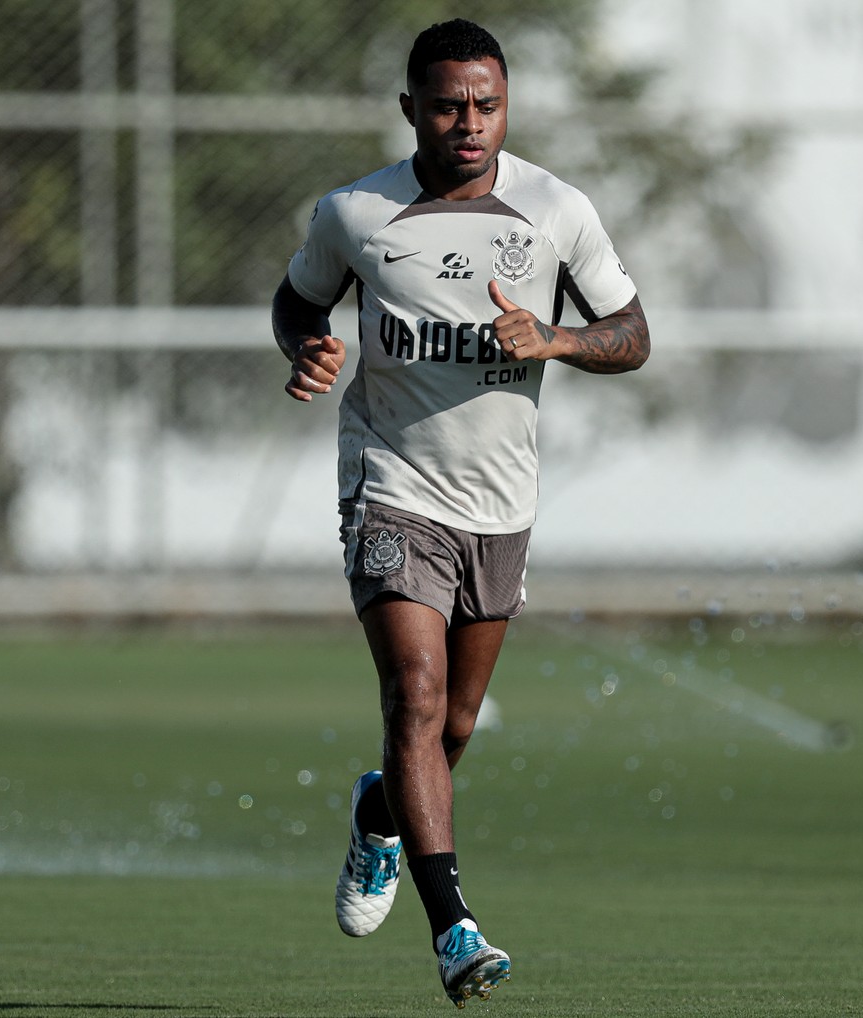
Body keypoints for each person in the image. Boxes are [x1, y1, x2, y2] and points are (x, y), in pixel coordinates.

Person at [271, 18, 649, 1008]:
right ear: (412, 110)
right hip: (391, 483)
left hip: (501, 503)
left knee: (456, 725)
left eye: (486, 104)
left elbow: (633, 333)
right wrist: (305, 346)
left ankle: (377, 808)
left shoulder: (556, 211)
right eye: (447, 105)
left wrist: (559, 340)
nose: (469, 123)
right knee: (417, 693)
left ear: (506, 106)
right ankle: (455, 927)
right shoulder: (357, 214)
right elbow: (298, 300)